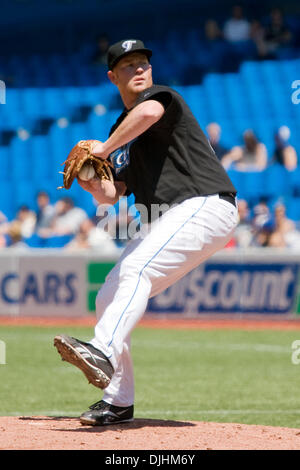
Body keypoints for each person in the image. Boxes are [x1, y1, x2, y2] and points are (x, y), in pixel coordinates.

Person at [54, 38, 238, 426]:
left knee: (137, 269)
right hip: (170, 217)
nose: (138, 69)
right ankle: (119, 401)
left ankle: (102, 349)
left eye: (143, 63)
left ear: (151, 71)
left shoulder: (159, 98)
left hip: (204, 203)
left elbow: (150, 113)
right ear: (112, 76)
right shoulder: (121, 134)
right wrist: (90, 177)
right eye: (128, 65)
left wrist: (102, 149)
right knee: (110, 293)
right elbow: (110, 195)